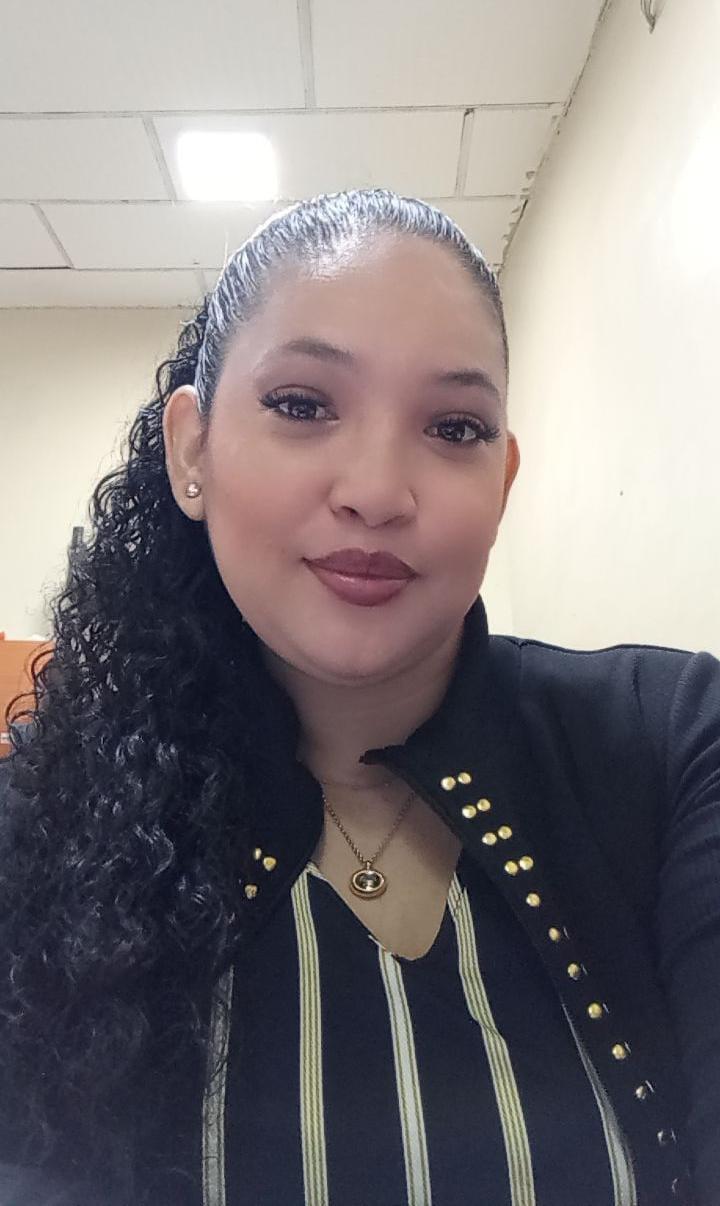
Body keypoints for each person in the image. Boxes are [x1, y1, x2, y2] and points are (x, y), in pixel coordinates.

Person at [0, 188, 717, 1206]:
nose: (378, 490)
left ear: (502, 482)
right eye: (303, 405)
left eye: (455, 426)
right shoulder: (39, 830)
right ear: (191, 449)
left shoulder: (672, 740)